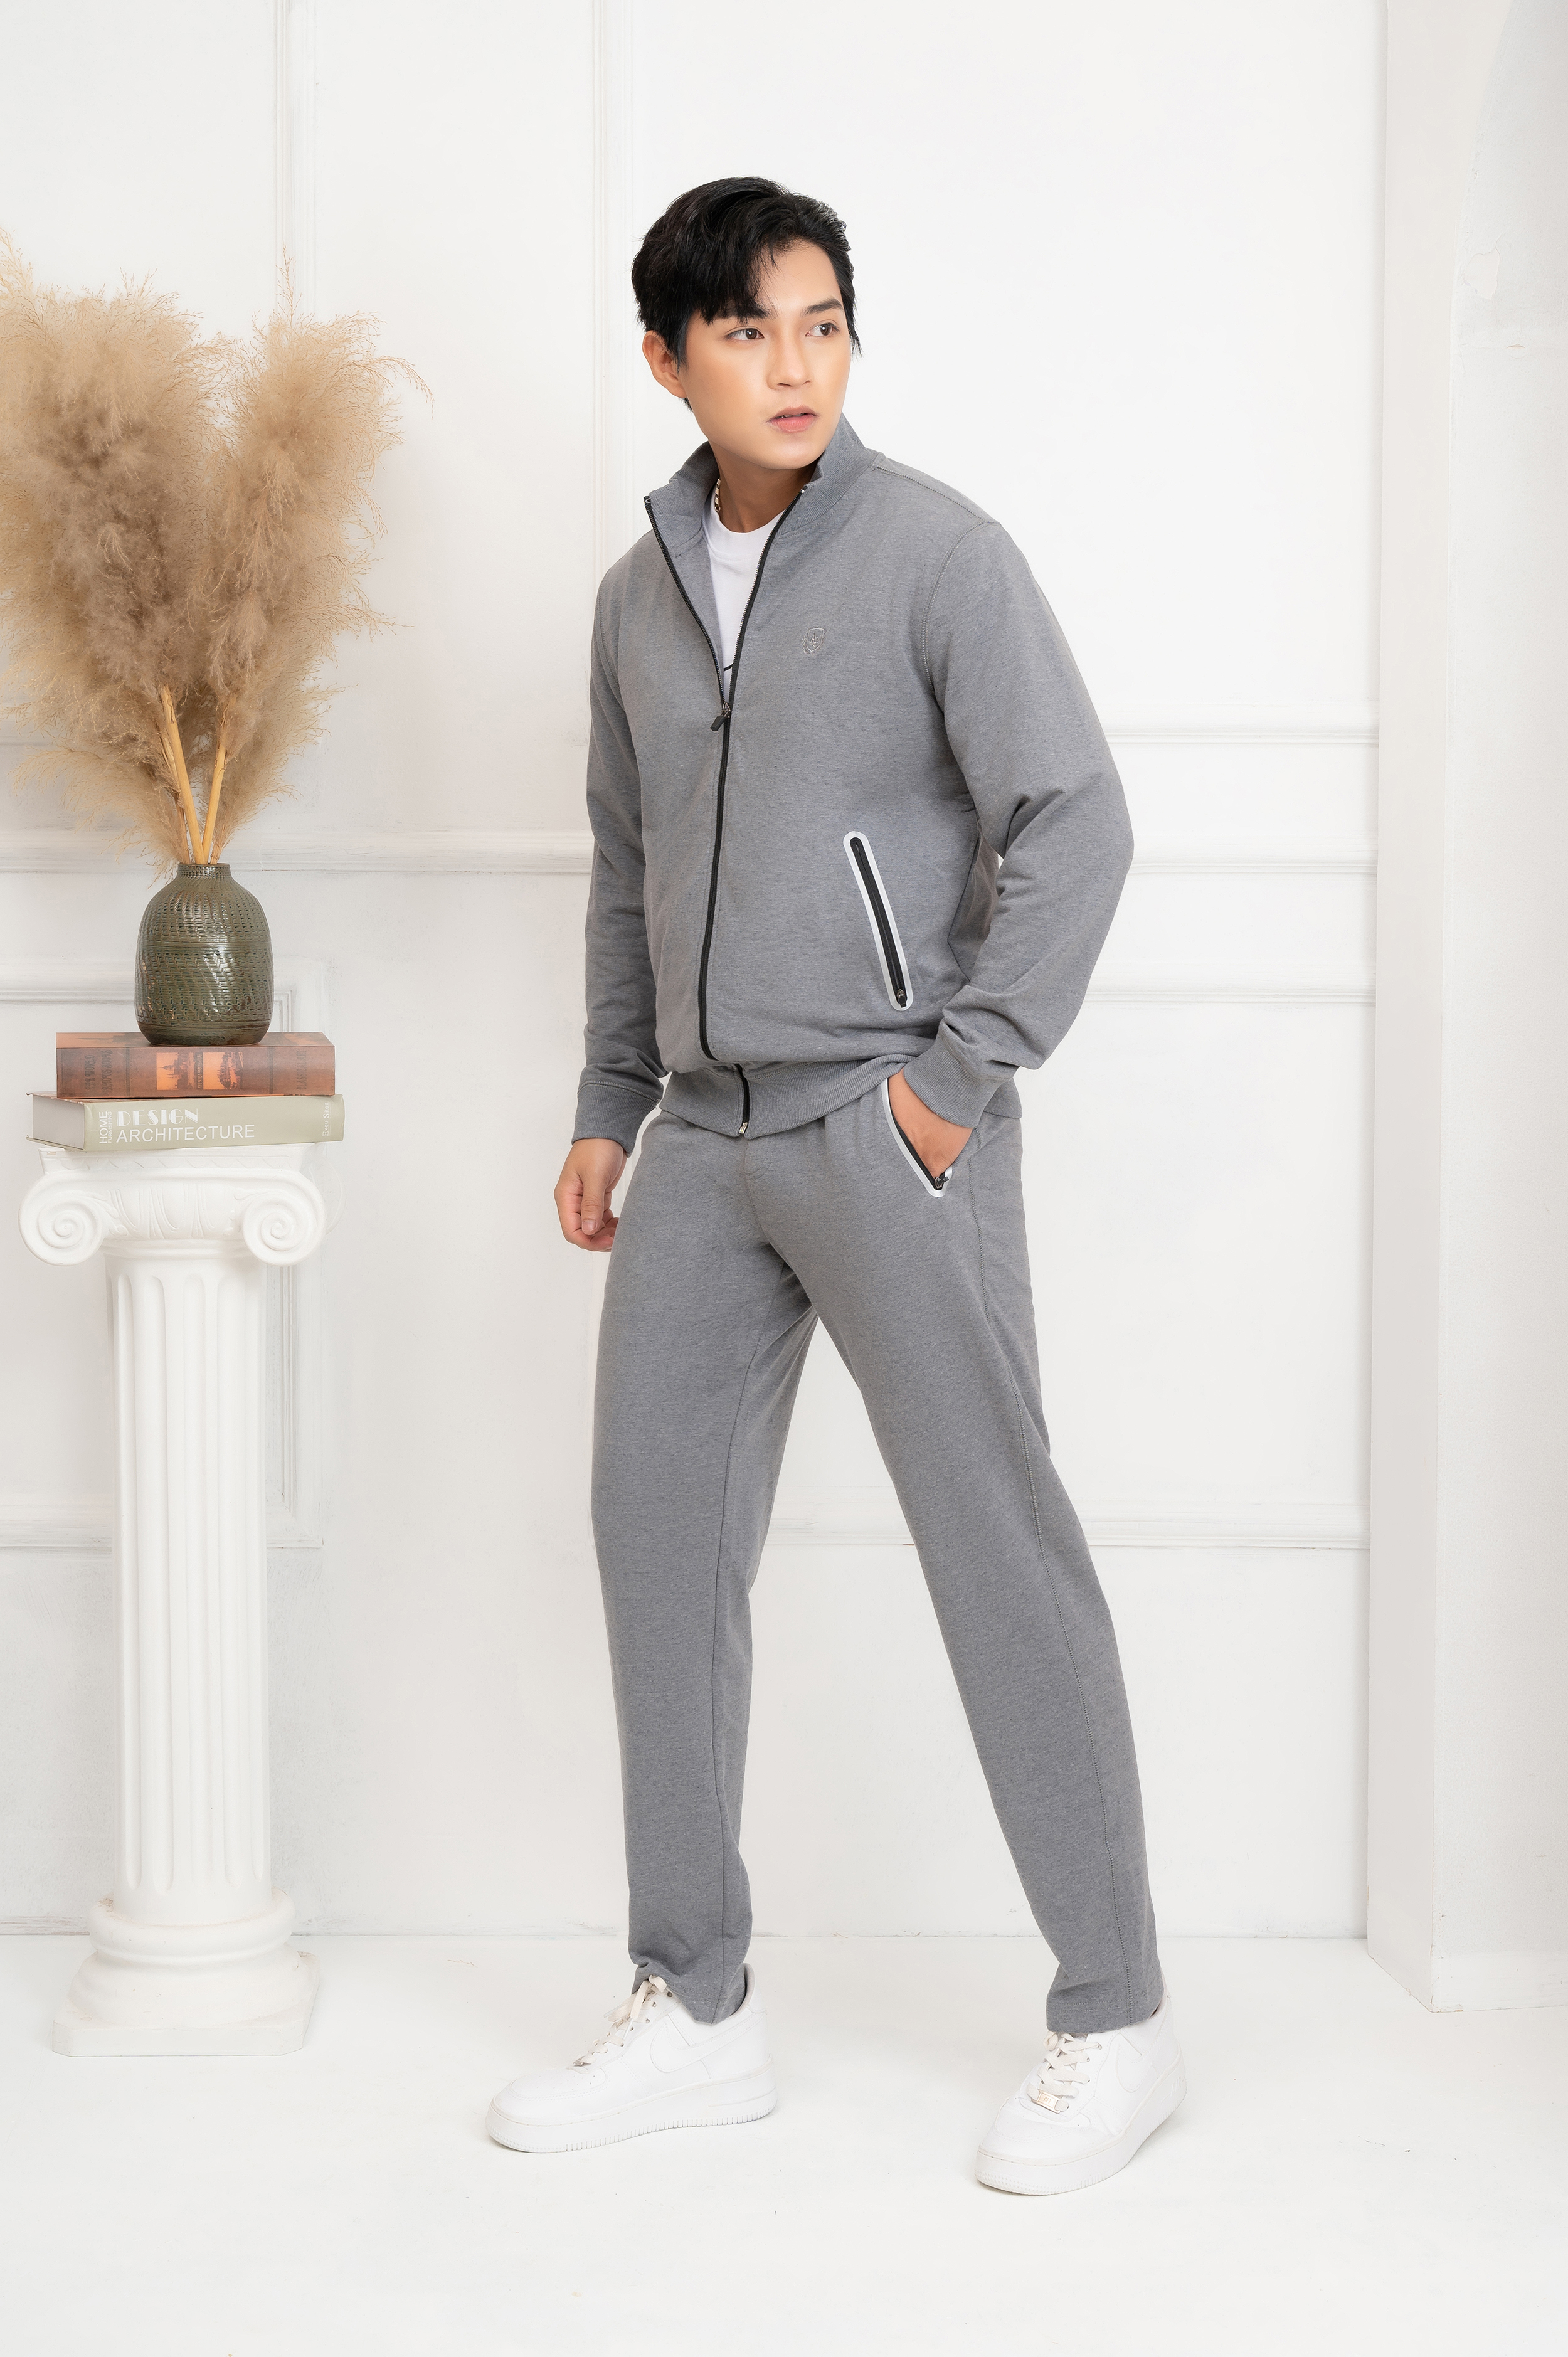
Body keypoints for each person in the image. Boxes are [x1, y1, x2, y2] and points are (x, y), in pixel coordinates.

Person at [487, 178, 1184, 2194]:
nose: (793, 365)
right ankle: (695, 2001)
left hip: (889, 1127)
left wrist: (954, 1086)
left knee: (994, 1546)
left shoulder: (938, 556)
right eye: (747, 332)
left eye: (822, 323)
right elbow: (626, 870)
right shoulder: (632, 603)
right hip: (701, 1145)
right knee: (652, 1543)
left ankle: (1115, 2014)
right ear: (666, 360)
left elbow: (1075, 821)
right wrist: (610, 1099)